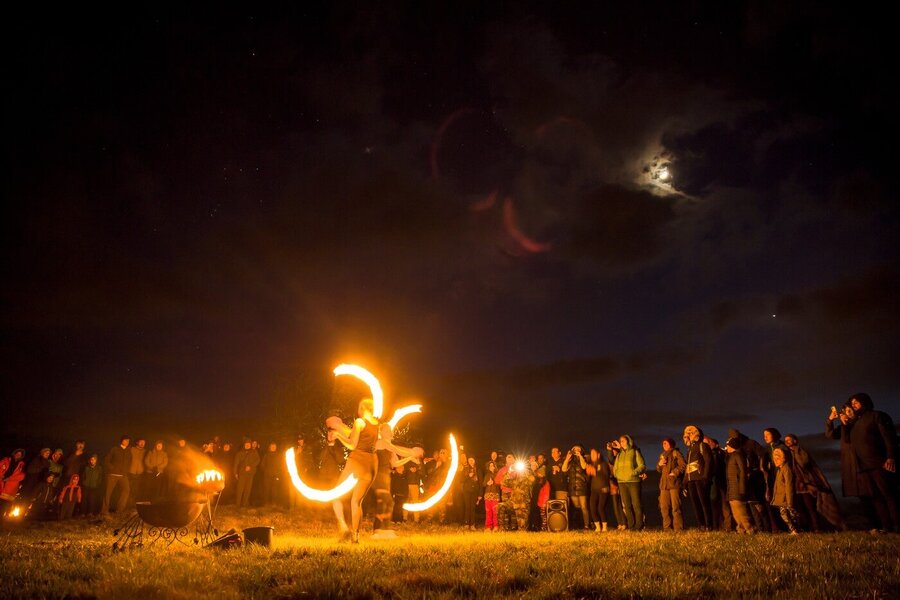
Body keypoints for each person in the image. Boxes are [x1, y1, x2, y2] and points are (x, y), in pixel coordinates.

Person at [328, 398, 381, 543]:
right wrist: (341, 427)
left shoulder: (359, 421)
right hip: (371, 464)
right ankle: (355, 537)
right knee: (356, 502)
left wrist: (337, 435)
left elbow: (352, 444)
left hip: (356, 461)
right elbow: (359, 436)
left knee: (335, 496)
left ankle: (344, 528)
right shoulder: (377, 424)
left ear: (363, 407)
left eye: (359, 406)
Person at [847, 393, 898, 533]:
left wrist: (890, 457)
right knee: (876, 498)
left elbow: (889, 437)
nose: (854, 406)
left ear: (865, 402)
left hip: (880, 463)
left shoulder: (878, 416)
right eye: (852, 404)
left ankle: (897, 525)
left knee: (889, 495)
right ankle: (886, 527)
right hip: (864, 467)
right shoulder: (856, 423)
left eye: (856, 403)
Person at [784, 433, 845, 531]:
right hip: (796, 486)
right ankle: (806, 528)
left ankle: (817, 528)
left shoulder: (801, 451)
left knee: (811, 508)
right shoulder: (787, 453)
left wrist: (795, 454)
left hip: (807, 485)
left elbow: (804, 463)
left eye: (789, 439)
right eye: (785, 440)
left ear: (795, 441)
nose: (786, 441)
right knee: (800, 509)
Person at [372, 423, 420, 537]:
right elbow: (398, 450)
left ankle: (382, 529)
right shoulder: (381, 442)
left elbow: (395, 463)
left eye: (390, 429)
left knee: (387, 502)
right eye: (386, 429)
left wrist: (409, 458)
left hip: (386, 476)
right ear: (381, 432)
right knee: (386, 501)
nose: (389, 431)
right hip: (379, 475)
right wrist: (412, 452)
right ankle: (378, 530)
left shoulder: (389, 446)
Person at [683, 425, 713, 530]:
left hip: (700, 479)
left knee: (704, 502)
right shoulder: (689, 450)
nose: (688, 436)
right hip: (691, 480)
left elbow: (708, 461)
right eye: (688, 434)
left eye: (691, 433)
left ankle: (709, 525)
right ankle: (701, 525)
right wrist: (684, 483)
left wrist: (705, 476)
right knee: (696, 504)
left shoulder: (703, 446)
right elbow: (688, 467)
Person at [613, 435, 645, 531]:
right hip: (621, 482)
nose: (621, 442)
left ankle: (639, 525)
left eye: (623, 440)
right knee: (627, 505)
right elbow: (615, 467)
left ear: (628, 441)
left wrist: (634, 473)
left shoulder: (635, 451)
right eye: (620, 441)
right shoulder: (619, 454)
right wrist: (617, 474)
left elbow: (642, 465)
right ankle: (631, 526)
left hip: (633, 481)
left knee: (636, 504)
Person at [724, 438, 755, 533]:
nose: (726, 447)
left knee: (740, 510)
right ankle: (741, 529)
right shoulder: (732, 456)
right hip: (732, 488)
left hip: (737, 487)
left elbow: (742, 472)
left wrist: (742, 488)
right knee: (735, 510)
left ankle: (750, 529)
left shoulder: (738, 455)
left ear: (732, 446)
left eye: (728, 445)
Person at [763, 428, 790, 532]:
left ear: (774, 435)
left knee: (783, 503)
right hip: (771, 478)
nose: (765, 437)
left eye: (767, 434)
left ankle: (790, 527)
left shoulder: (782, 447)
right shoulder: (767, 448)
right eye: (764, 435)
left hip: (781, 477)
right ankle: (779, 528)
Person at [656, 438, 685, 531]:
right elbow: (658, 470)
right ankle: (667, 528)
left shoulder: (676, 453)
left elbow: (683, 465)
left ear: (671, 444)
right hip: (664, 485)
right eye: (663, 443)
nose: (663, 445)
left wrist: (674, 473)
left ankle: (678, 528)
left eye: (665, 443)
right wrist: (659, 464)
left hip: (674, 484)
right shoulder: (662, 455)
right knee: (664, 507)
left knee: (676, 507)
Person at [497, 460, 535, 531]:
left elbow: (532, 480)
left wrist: (525, 471)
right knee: (500, 506)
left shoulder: (528, 479)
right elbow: (503, 482)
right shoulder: (514, 481)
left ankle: (521, 530)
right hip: (513, 503)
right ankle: (502, 529)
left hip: (523, 505)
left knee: (522, 527)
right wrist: (509, 471)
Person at [770, 447, 800, 534]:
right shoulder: (780, 470)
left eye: (777, 458)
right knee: (785, 515)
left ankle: (795, 529)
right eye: (774, 459)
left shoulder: (786, 469)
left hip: (786, 499)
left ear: (783, 458)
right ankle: (793, 530)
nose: (775, 460)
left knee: (790, 515)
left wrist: (790, 501)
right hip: (782, 498)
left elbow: (789, 486)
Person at [705, 436, 732, 531]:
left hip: (722, 482)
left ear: (716, 444)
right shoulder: (710, 454)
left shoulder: (722, 454)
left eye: (710, 443)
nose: (708, 445)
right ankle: (719, 526)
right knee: (716, 506)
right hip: (715, 483)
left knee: (724, 505)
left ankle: (727, 526)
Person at [101, 436, 131, 517]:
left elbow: (129, 461)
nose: (127, 442)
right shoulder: (114, 449)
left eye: (128, 441)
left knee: (126, 490)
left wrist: (126, 470)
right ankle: (104, 511)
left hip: (123, 475)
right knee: (108, 492)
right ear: (121, 441)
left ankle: (120, 510)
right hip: (112, 475)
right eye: (126, 440)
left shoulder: (128, 451)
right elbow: (107, 460)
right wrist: (112, 468)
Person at [562, 444, 590, 529]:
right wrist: (567, 458)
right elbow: (563, 469)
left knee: (584, 507)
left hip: (582, 486)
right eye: (575, 449)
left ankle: (586, 526)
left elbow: (584, 466)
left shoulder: (584, 458)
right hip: (572, 486)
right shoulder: (570, 460)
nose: (576, 450)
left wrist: (580, 456)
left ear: (581, 450)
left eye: (578, 449)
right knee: (576, 507)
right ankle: (577, 524)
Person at [587, 448, 612, 532]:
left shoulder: (603, 464)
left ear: (598, 455)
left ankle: (604, 526)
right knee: (592, 507)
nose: (592, 456)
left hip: (603, 488)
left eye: (594, 454)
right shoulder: (590, 465)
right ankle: (597, 526)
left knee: (600, 508)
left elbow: (606, 476)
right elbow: (588, 479)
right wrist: (588, 473)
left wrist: (596, 472)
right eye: (591, 454)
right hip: (594, 489)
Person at [234, 439, 260, 508]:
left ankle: (244, 504)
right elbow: (236, 463)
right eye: (246, 444)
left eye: (249, 444)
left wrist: (251, 466)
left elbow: (257, 460)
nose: (247, 445)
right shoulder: (239, 453)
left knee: (247, 489)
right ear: (244, 445)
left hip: (250, 474)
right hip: (242, 473)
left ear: (250, 445)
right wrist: (235, 473)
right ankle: (237, 504)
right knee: (240, 489)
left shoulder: (254, 452)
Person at [259, 442, 284, 507]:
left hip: (275, 475)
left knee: (274, 490)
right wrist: (266, 471)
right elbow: (262, 465)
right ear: (270, 447)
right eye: (272, 447)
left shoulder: (278, 455)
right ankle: (266, 503)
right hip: (267, 475)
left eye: (274, 447)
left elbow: (281, 465)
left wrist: (278, 473)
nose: (273, 448)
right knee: (266, 489)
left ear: (276, 448)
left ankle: (274, 503)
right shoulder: (266, 455)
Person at [461, 456, 481, 530]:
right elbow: (461, 479)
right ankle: (466, 523)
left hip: (474, 491)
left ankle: (472, 524)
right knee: (467, 507)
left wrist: (480, 494)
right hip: (466, 491)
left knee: (472, 508)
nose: (471, 461)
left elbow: (480, 482)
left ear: (474, 461)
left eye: (472, 460)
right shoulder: (465, 469)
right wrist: (468, 476)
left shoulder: (478, 470)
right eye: (469, 460)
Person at [483, 462, 501, 531]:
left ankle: (496, 526)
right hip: (487, 495)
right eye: (490, 466)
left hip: (495, 494)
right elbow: (484, 484)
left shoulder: (497, 474)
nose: (491, 467)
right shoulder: (487, 475)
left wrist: (494, 482)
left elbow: (500, 483)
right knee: (488, 511)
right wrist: (487, 483)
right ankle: (488, 526)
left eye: (492, 465)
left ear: (495, 466)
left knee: (495, 511)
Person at [128, 438, 147, 503]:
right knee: (129, 489)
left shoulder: (145, 451)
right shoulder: (131, 449)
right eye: (141, 442)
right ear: (137, 442)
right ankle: (127, 504)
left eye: (144, 443)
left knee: (136, 490)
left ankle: (133, 504)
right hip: (131, 471)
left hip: (140, 473)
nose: (142, 444)